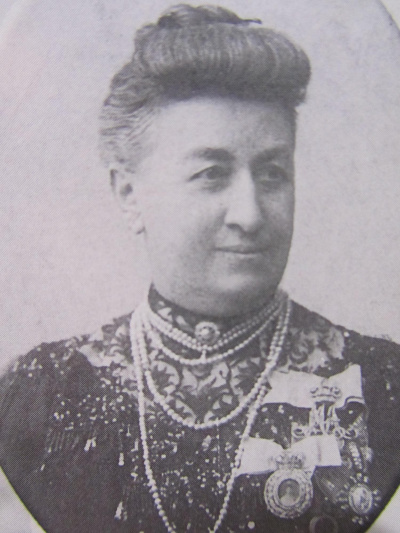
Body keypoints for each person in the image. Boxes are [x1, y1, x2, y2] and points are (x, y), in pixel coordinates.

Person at [0, 4, 399, 533]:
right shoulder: (42, 397)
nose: (250, 215)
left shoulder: (382, 385)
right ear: (129, 194)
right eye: (212, 173)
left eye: (272, 173)